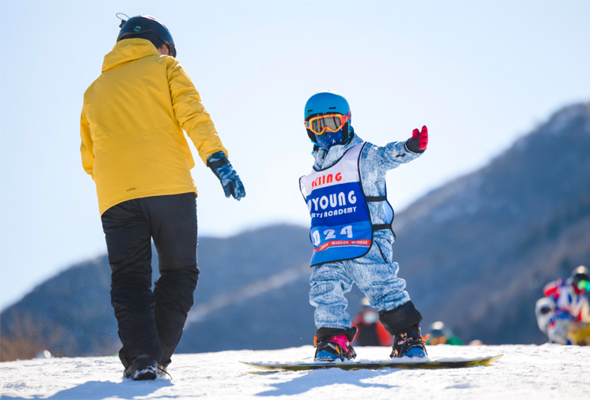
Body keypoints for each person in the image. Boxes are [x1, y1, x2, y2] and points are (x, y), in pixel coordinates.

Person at [80, 15, 245, 380]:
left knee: (129, 280)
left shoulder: (94, 89)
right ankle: (155, 359)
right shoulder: (165, 66)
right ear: (160, 43)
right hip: (170, 188)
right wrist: (218, 161)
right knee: (180, 272)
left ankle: (142, 358)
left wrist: (120, 183)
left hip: (116, 196)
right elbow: (193, 114)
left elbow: (88, 159)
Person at [299, 91, 429, 361]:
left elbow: (387, 156)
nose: (326, 131)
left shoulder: (362, 155)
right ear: (308, 130)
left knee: (381, 285)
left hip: (366, 237)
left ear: (346, 121)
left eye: (332, 123)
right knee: (324, 289)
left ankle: (408, 338)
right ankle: (333, 342)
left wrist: (410, 147)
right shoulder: (313, 174)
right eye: (317, 125)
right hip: (328, 245)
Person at [535, 266, 590, 345]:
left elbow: (583, 316)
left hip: (572, 325)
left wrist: (579, 322)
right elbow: (547, 291)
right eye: (582, 285)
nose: (584, 289)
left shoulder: (582, 299)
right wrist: (557, 286)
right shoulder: (564, 288)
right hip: (556, 319)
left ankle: (582, 344)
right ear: (576, 281)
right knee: (543, 305)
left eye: (587, 286)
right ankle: (556, 343)